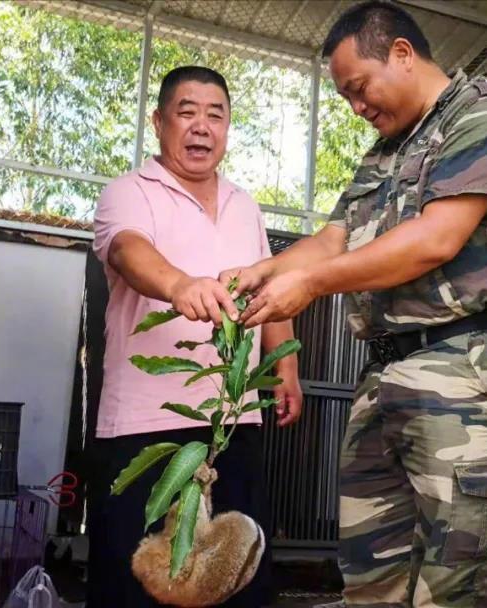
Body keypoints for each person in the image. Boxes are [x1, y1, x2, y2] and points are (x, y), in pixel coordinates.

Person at [224, 2, 487, 606]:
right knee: (371, 572)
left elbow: (435, 239)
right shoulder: (384, 151)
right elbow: (334, 237)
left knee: (456, 574)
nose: (357, 107)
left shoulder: (474, 117)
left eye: (359, 89)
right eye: (346, 97)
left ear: (400, 53)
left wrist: (312, 286)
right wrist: (261, 271)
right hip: (383, 374)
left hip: (457, 375)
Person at [86, 65, 303, 608]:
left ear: (228, 128)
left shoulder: (245, 204)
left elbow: (269, 285)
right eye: (187, 112)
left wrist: (287, 367)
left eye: (215, 115)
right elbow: (128, 251)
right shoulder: (129, 192)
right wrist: (179, 284)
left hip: (232, 422)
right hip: (146, 426)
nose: (201, 127)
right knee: (139, 582)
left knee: (239, 578)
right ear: (159, 122)